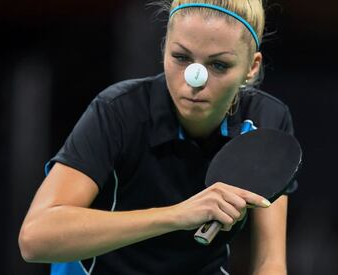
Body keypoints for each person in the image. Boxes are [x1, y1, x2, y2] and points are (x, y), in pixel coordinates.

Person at [19, 0, 297, 274]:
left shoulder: (266, 121)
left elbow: (269, 263)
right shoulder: (118, 112)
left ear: (252, 67)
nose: (194, 79)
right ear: (165, 47)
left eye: (219, 65)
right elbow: (35, 238)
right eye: (181, 57)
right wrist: (178, 215)